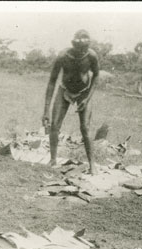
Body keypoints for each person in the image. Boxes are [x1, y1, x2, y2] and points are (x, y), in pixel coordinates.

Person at [42, 29, 100, 174]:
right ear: (73, 45)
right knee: (54, 125)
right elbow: (52, 82)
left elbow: (96, 76)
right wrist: (46, 110)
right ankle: (53, 160)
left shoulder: (92, 56)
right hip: (65, 90)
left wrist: (87, 98)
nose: (82, 52)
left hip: (84, 92)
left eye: (84, 50)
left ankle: (92, 164)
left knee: (85, 128)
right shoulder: (63, 56)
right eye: (79, 49)